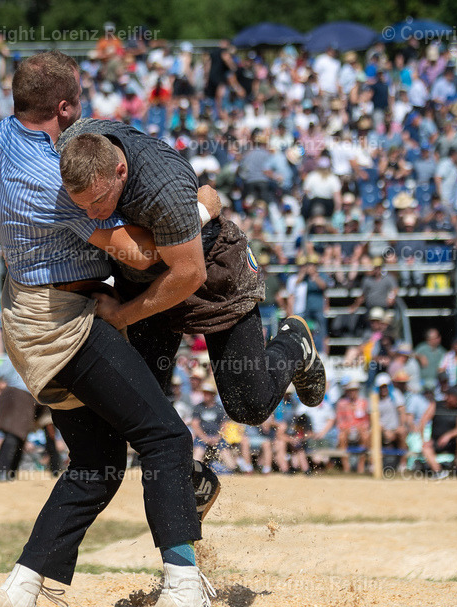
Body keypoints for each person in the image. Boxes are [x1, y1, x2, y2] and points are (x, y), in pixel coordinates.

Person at [0, 51, 212, 607]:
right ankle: (183, 589)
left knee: (97, 464)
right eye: (78, 104)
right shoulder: (56, 181)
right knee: (164, 437)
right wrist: (199, 209)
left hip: (27, 320)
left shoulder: (1, 139)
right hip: (65, 325)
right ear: (64, 106)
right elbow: (138, 253)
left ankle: (17, 593)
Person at [56, 118, 326, 422]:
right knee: (141, 408)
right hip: (144, 277)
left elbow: (188, 274)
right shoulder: (72, 148)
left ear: (121, 171)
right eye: (81, 206)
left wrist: (122, 316)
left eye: (97, 201)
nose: (90, 215)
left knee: (249, 405)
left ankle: (294, 343)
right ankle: (187, 470)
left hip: (209, 267)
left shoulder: (162, 188)